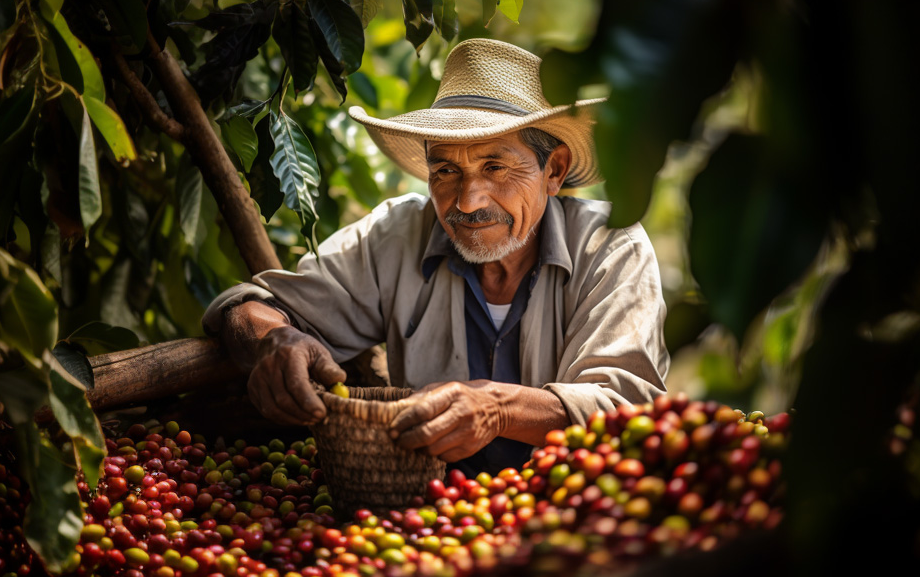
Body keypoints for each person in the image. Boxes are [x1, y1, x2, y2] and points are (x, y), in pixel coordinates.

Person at [204, 38, 669, 477]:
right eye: (446, 171)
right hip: (428, 516)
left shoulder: (610, 247)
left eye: (495, 167)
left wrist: (497, 408)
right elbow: (252, 303)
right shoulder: (398, 234)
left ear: (554, 170)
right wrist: (273, 337)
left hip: (572, 515)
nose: (467, 202)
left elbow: (626, 408)